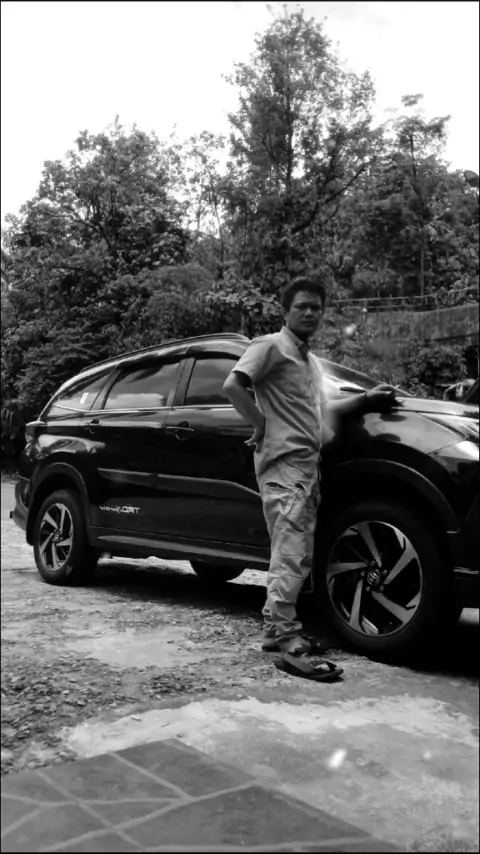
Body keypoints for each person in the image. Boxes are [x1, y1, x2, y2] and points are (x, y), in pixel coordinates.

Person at [223, 277, 396, 681]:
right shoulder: (270, 346)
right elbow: (233, 385)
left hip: (307, 466)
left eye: (316, 307)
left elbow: (324, 410)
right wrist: (260, 424)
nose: (309, 313)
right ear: (285, 311)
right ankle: (287, 637)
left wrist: (366, 398)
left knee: (298, 553)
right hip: (283, 465)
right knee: (290, 552)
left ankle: (275, 629)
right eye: (301, 306)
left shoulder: (311, 363)